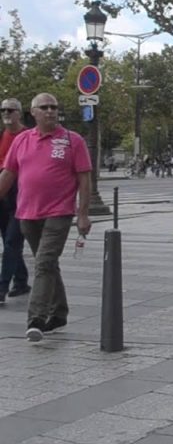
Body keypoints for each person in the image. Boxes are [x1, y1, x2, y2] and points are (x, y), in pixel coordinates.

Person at [0, 93, 90, 341]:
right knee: (47, 264)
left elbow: (84, 179)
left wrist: (83, 214)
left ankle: (36, 319)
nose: (50, 111)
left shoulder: (72, 140)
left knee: (44, 262)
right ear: (33, 112)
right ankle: (59, 313)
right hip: (27, 214)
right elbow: (8, 173)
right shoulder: (22, 140)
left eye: (54, 107)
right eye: (44, 107)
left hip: (59, 213)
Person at [0, 98, 30, 305]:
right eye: (3, 110)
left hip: (21, 194)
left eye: (10, 110)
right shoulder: (1, 135)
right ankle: (21, 280)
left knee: (12, 241)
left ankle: (1, 288)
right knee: (8, 240)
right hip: (3, 193)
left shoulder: (28, 137)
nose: (6, 113)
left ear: (19, 113)